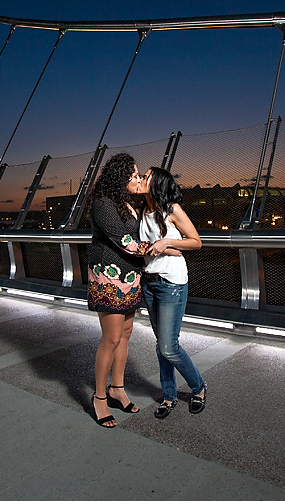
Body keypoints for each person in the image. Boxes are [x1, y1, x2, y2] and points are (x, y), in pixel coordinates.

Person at [86, 153, 174, 428]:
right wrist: (162, 247)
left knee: (125, 335)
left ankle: (117, 389)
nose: (137, 179)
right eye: (133, 175)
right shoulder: (102, 203)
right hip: (109, 279)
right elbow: (125, 241)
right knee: (111, 339)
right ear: (119, 176)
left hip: (130, 277)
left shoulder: (125, 203)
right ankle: (99, 398)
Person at [136, 166, 207, 419]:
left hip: (171, 283)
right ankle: (169, 395)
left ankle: (198, 387)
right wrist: (161, 248)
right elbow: (143, 246)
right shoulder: (143, 212)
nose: (141, 179)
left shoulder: (172, 210)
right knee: (162, 344)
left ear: (158, 184)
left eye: (146, 176)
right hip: (149, 282)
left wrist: (168, 242)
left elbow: (196, 241)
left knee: (168, 346)